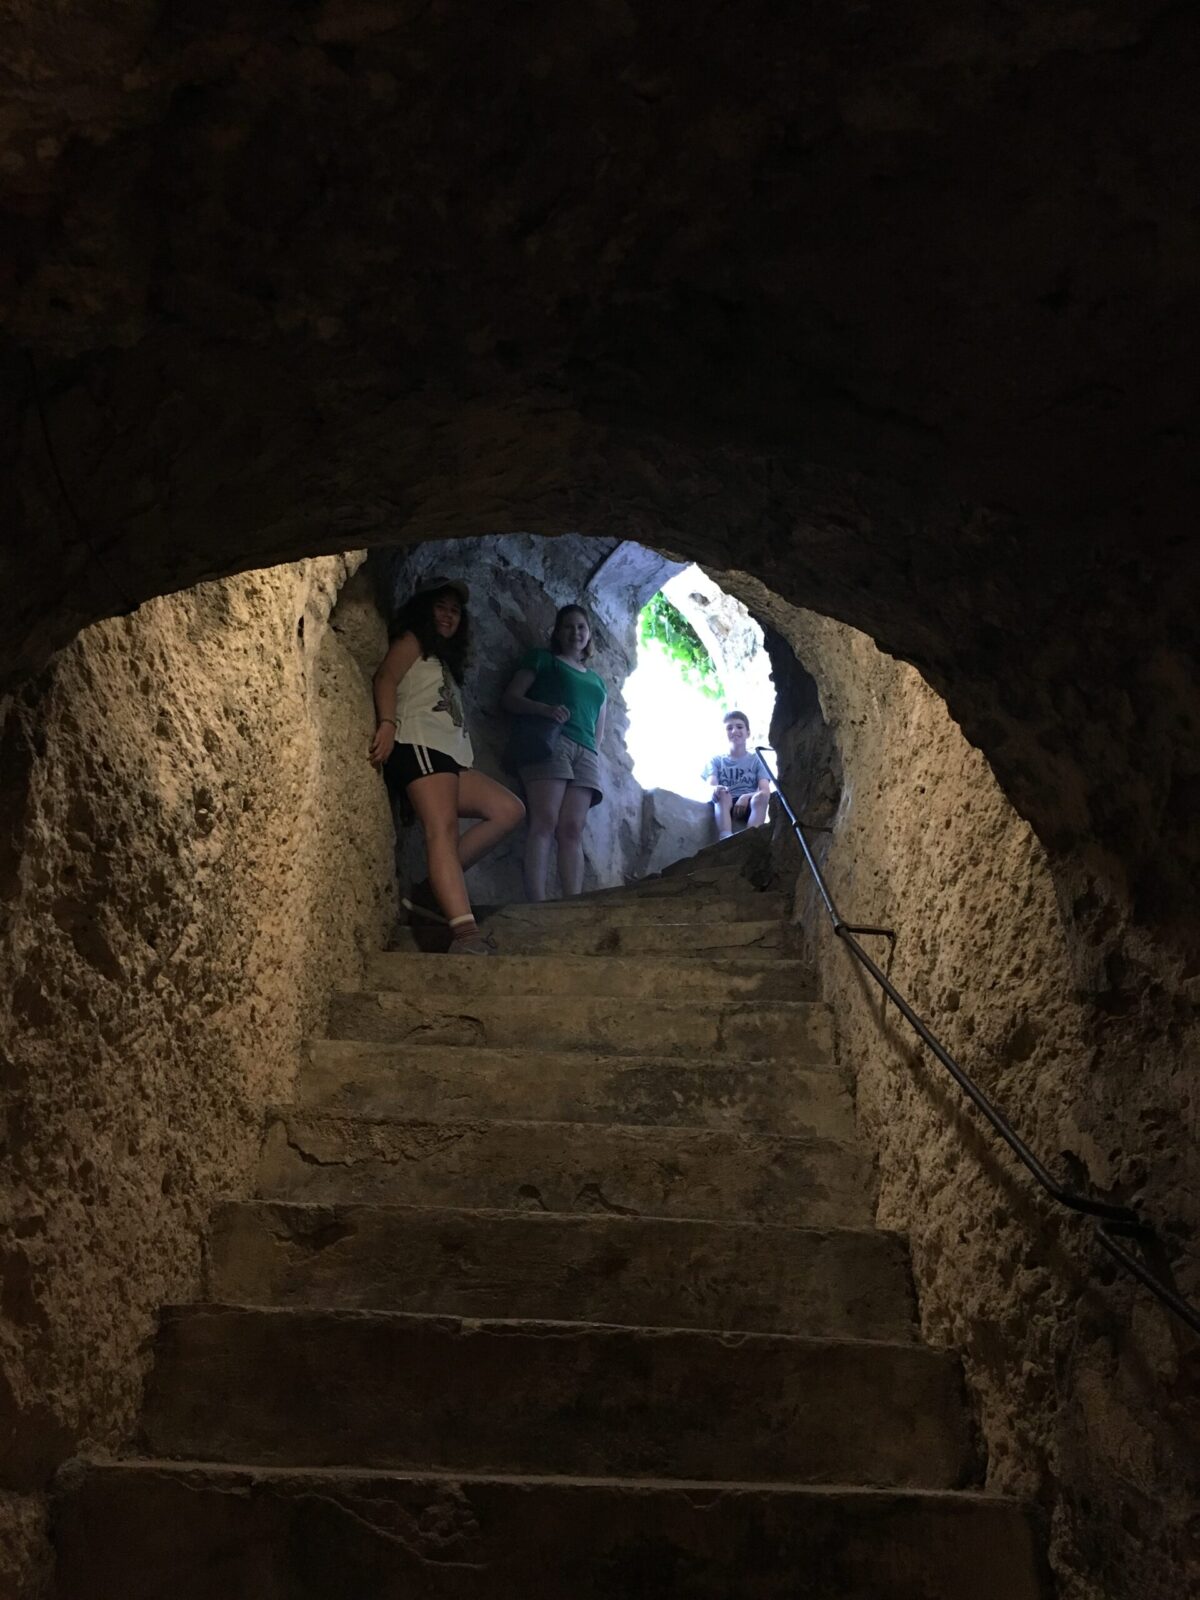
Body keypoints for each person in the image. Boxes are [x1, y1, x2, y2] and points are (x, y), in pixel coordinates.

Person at [368, 575, 524, 954]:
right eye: (441, 607)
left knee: (509, 809)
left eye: (455, 611)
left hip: (449, 756)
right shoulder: (413, 641)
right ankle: (465, 935)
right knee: (443, 829)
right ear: (425, 609)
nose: (448, 616)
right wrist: (387, 723)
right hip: (419, 744)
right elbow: (386, 676)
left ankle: (426, 893)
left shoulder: (445, 662)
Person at [502, 603, 607, 901]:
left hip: (586, 753)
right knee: (545, 821)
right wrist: (544, 709)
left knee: (573, 828)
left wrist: (593, 752)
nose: (576, 632)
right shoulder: (543, 660)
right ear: (558, 633)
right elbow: (510, 698)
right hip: (553, 742)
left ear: (589, 635)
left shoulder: (598, 681)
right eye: (569, 626)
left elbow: (598, 725)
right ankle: (537, 902)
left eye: (581, 627)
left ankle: (572, 902)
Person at [703, 710, 771, 840]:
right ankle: (725, 836)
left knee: (761, 797)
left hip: (749, 804)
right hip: (724, 804)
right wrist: (716, 789)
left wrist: (746, 796)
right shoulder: (716, 761)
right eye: (729, 728)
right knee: (721, 792)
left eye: (739, 727)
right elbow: (711, 784)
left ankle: (751, 837)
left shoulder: (757, 760)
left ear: (748, 733)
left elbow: (765, 790)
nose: (734, 731)